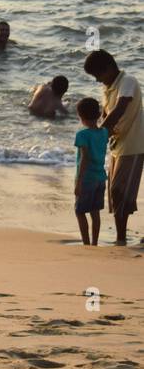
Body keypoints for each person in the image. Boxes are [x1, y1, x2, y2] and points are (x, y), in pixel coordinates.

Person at [83, 50, 143, 246]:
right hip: (118, 143)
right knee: (114, 191)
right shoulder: (108, 88)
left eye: (98, 75)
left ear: (109, 68)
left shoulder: (128, 81)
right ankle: (121, 236)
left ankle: (120, 238)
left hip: (135, 143)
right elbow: (105, 113)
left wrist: (100, 135)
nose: (98, 80)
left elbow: (120, 108)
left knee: (120, 190)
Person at [73, 97, 108, 246]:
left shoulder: (82, 135)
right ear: (99, 114)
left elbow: (84, 159)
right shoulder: (104, 132)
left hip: (87, 179)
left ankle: (86, 243)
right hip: (100, 177)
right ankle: (94, 242)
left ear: (80, 116)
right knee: (95, 211)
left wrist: (79, 182)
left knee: (80, 211)